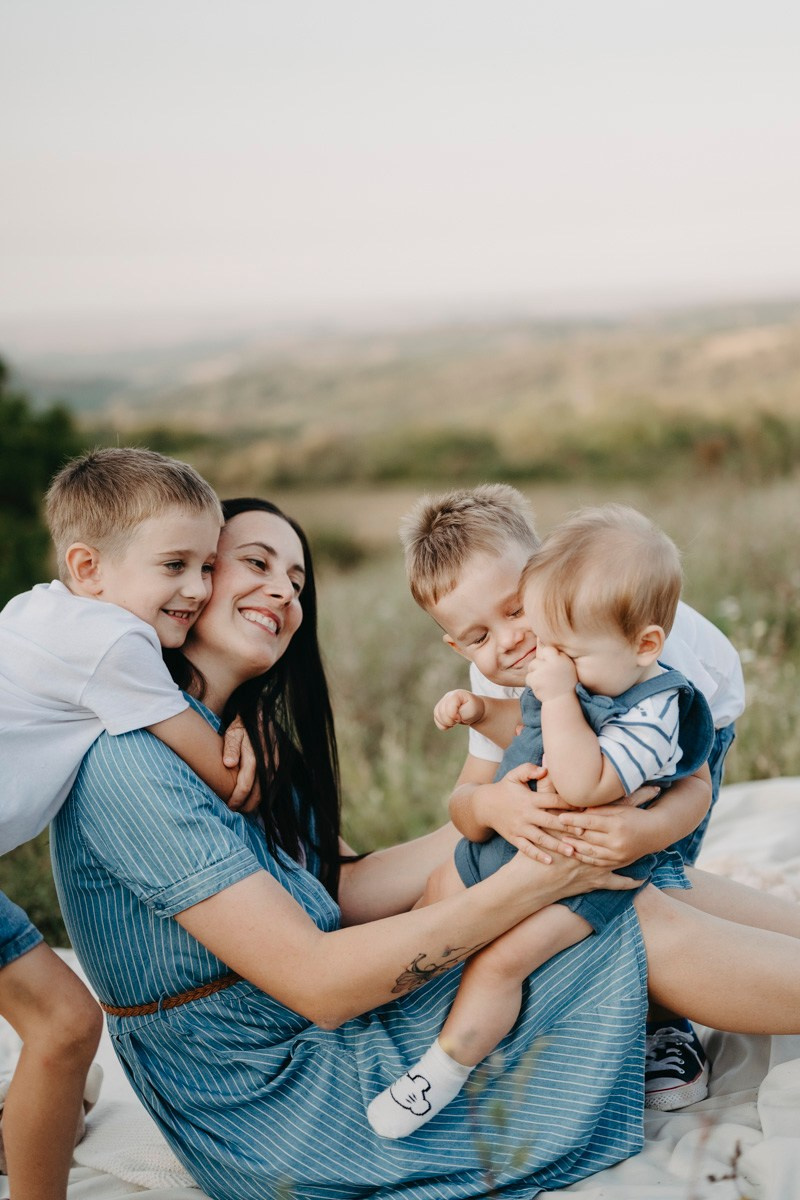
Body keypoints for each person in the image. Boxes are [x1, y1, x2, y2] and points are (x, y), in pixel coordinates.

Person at [50, 495, 800, 1200]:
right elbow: (318, 982)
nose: (281, 588)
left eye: (297, 575)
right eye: (248, 563)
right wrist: (533, 881)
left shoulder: (245, 748)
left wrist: (509, 811)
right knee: (606, 910)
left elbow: (344, 890)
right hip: (279, 1096)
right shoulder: (127, 764)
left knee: (620, 876)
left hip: (317, 1032)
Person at [367, 504, 714, 1138]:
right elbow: (472, 797)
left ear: (549, 578)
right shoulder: (529, 666)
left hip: (685, 742)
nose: (509, 641)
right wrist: (490, 795)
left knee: (662, 889)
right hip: (559, 812)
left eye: (516, 607)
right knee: (440, 893)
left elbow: (694, 781)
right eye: (476, 636)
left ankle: (665, 1022)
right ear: (457, 645)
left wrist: (650, 833)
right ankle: (423, 1015)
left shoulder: (628, 641)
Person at [0, 448, 252, 1198]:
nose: (198, 589)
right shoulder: (115, 641)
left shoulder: (36, 609)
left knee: (53, 1026)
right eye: (174, 565)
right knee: (66, 1024)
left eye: (207, 566)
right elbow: (224, 775)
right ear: (89, 567)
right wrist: (244, 741)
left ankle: (27, 1119)